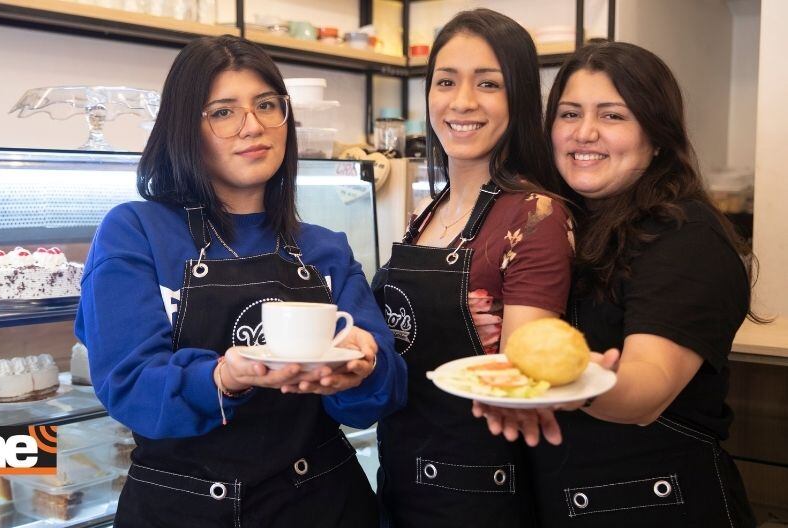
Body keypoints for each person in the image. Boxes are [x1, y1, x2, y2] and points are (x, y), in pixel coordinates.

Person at [76, 35, 407, 528]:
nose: (253, 126)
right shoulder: (136, 231)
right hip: (180, 510)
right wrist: (223, 378)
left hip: (322, 504)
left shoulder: (324, 248)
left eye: (267, 105)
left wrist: (364, 369)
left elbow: (380, 399)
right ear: (186, 128)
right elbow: (129, 385)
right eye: (224, 112)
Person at [476, 41, 759, 527]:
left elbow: (646, 392)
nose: (584, 133)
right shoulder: (560, 224)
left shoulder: (686, 235)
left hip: (660, 503)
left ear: (658, 134)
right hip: (564, 498)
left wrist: (573, 379)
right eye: (569, 114)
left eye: (612, 116)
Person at [370, 9, 575, 527]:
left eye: (488, 83)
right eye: (446, 81)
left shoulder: (536, 215)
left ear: (521, 99)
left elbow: (523, 375)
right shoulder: (427, 213)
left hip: (480, 493)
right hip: (398, 474)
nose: (462, 102)